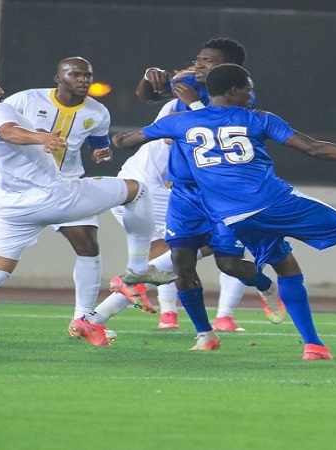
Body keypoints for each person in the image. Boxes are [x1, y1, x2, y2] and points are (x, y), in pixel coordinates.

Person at [112, 63, 336, 359]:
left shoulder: (179, 122)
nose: (251, 94)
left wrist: (112, 140)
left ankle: (315, 346)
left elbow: (127, 141)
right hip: (276, 203)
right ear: (233, 91)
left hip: (234, 218)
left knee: (274, 262)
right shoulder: (259, 119)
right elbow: (314, 148)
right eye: (248, 88)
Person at [0, 65, 176, 347]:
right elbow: (8, 132)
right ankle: (138, 268)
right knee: (135, 189)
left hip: (10, 209)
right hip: (53, 195)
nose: (0, 90)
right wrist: (42, 137)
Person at [120, 37, 282, 332]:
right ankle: (174, 313)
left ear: (227, 69)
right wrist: (149, 77)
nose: (198, 64)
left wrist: (193, 104)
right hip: (163, 183)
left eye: (207, 60)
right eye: (199, 59)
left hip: (207, 188)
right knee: (178, 253)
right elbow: (149, 95)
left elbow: (199, 133)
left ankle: (244, 297)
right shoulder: (187, 81)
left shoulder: (238, 97)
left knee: (225, 256)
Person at [0, 57, 115, 337]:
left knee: (88, 246)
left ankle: (82, 320)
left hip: (67, 187)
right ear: (58, 78)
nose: (84, 80)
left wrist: (102, 154)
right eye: (76, 74)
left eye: (88, 75)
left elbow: (99, 146)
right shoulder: (26, 99)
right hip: (25, 188)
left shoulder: (98, 112)